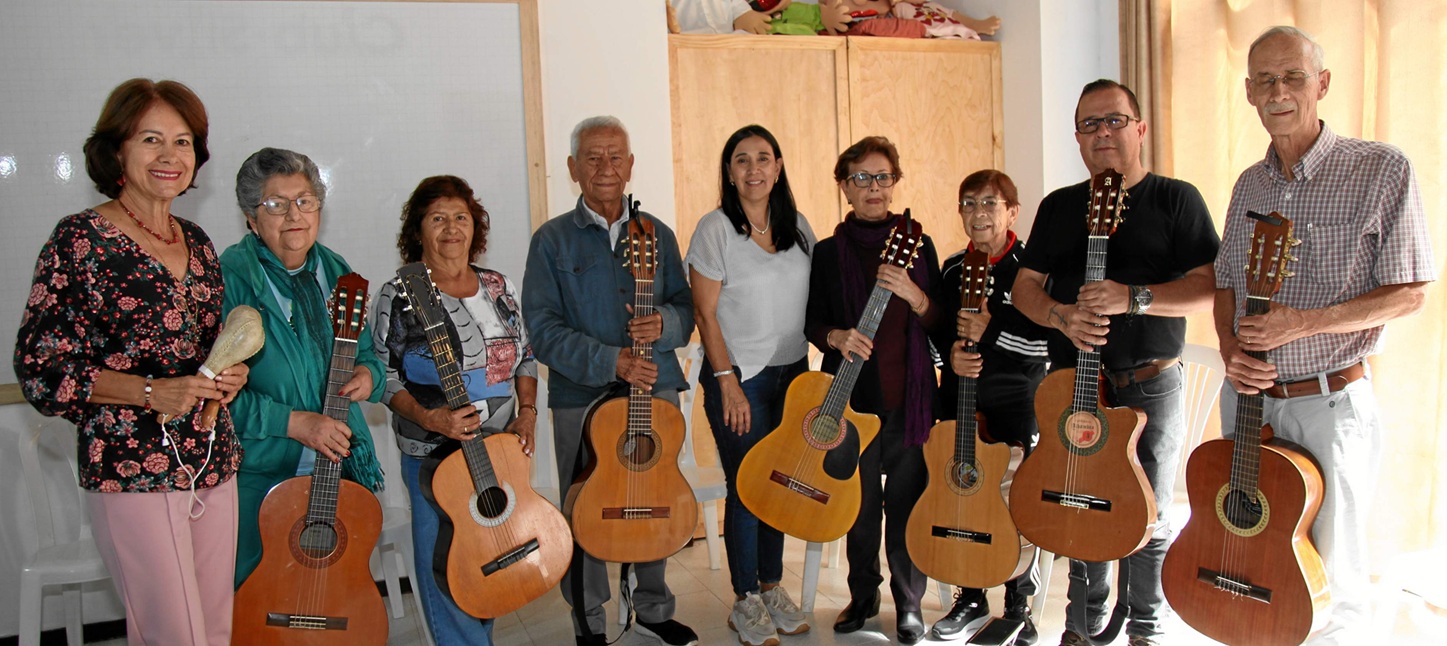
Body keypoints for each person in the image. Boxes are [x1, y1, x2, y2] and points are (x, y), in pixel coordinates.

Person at [1214, 26, 1433, 645]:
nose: (1278, 91)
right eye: (1265, 80)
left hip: (1330, 403)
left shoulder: (1380, 168)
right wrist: (1233, 354)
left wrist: (1302, 322)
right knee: (1255, 558)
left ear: (1323, 85)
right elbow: (1227, 284)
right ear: (1250, 92)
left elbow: (1411, 293)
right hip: (1251, 401)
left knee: (1332, 578)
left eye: (1293, 77)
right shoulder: (1249, 186)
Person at [13, 78, 249, 645]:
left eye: (184, 141)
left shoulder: (198, 241)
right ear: (117, 150)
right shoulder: (80, 240)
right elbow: (41, 367)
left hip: (213, 458)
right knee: (177, 634)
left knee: (214, 630)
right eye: (151, 139)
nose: (171, 156)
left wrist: (229, 375)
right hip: (130, 466)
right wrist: (149, 392)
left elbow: (206, 350)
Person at [1011, 79, 1219, 646]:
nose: (1103, 133)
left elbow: (1209, 289)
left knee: (1147, 511)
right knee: (1082, 502)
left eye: (1115, 121)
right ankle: (1083, 625)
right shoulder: (1058, 207)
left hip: (1150, 385)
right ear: (1077, 138)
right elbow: (1025, 288)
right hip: (1075, 386)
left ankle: (1145, 628)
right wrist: (1060, 316)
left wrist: (1135, 296)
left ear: (1140, 129)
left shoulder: (1177, 199)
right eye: (1089, 124)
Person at [521, 116, 698, 646]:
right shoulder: (551, 241)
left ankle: (652, 608)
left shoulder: (658, 234)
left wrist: (664, 323)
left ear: (631, 165)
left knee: (655, 495)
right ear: (573, 168)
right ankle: (590, 620)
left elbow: (688, 311)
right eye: (593, 158)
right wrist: (611, 360)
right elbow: (543, 331)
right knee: (586, 509)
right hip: (581, 395)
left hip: (655, 391)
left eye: (616, 156)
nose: (606, 168)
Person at [372, 175, 539, 645]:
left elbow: (525, 355)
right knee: (447, 567)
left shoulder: (497, 285)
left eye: (460, 217)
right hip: (434, 456)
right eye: (437, 218)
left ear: (476, 226)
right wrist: (429, 417)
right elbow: (380, 376)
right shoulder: (398, 293)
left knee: (489, 562)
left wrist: (527, 413)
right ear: (418, 229)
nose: (451, 228)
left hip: (501, 452)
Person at [219, 147, 387, 587]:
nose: (294, 214)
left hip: (339, 464)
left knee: (337, 593)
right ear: (251, 218)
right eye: (276, 204)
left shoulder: (336, 271)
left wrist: (370, 376)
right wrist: (295, 422)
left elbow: (368, 355)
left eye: (305, 201)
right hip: (262, 471)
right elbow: (215, 397)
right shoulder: (230, 277)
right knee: (265, 601)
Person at [806, 135, 945, 645]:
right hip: (849, 404)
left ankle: (909, 605)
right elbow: (813, 321)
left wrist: (916, 295)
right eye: (861, 177)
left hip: (909, 401)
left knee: (907, 507)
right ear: (844, 186)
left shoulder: (920, 245)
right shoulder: (826, 252)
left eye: (883, 177)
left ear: (895, 184)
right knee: (858, 512)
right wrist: (835, 335)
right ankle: (863, 596)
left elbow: (942, 324)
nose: (873, 187)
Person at [686, 124, 815, 646]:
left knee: (778, 482)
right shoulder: (715, 229)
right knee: (747, 485)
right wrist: (727, 383)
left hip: (794, 374)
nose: (754, 169)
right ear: (729, 171)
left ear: (779, 167)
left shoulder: (798, 225)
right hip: (740, 376)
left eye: (764, 158)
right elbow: (705, 312)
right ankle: (745, 600)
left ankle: (770, 586)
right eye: (742, 160)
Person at [930, 169, 1050, 644]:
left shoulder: (1032, 269)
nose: (978, 214)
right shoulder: (952, 267)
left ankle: (1020, 606)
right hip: (959, 402)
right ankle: (971, 597)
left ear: (1012, 212)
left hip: (1017, 402)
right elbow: (937, 332)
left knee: (1015, 501)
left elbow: (1047, 344)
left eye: (989, 204)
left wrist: (992, 335)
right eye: (968, 204)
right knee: (966, 494)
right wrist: (951, 356)